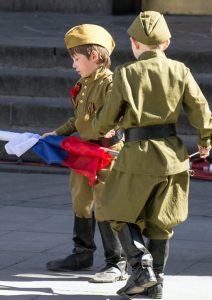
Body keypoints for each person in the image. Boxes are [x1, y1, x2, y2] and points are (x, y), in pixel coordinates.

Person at [91, 11, 212, 298]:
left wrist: (103, 128)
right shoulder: (180, 70)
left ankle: (141, 265)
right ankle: (156, 285)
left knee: (115, 208)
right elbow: (201, 109)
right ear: (166, 42)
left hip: (137, 156)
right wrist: (205, 141)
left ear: (133, 43)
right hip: (173, 156)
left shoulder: (125, 73)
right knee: (161, 222)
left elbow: (107, 119)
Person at [43, 24, 127, 283]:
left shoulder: (111, 83)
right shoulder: (84, 82)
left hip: (105, 153)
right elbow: (78, 119)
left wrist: (115, 129)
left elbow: (122, 112)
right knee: (81, 201)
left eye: (76, 59)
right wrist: (56, 134)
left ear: (94, 56)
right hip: (84, 151)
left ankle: (117, 262)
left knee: (105, 205)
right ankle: (82, 253)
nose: (73, 65)